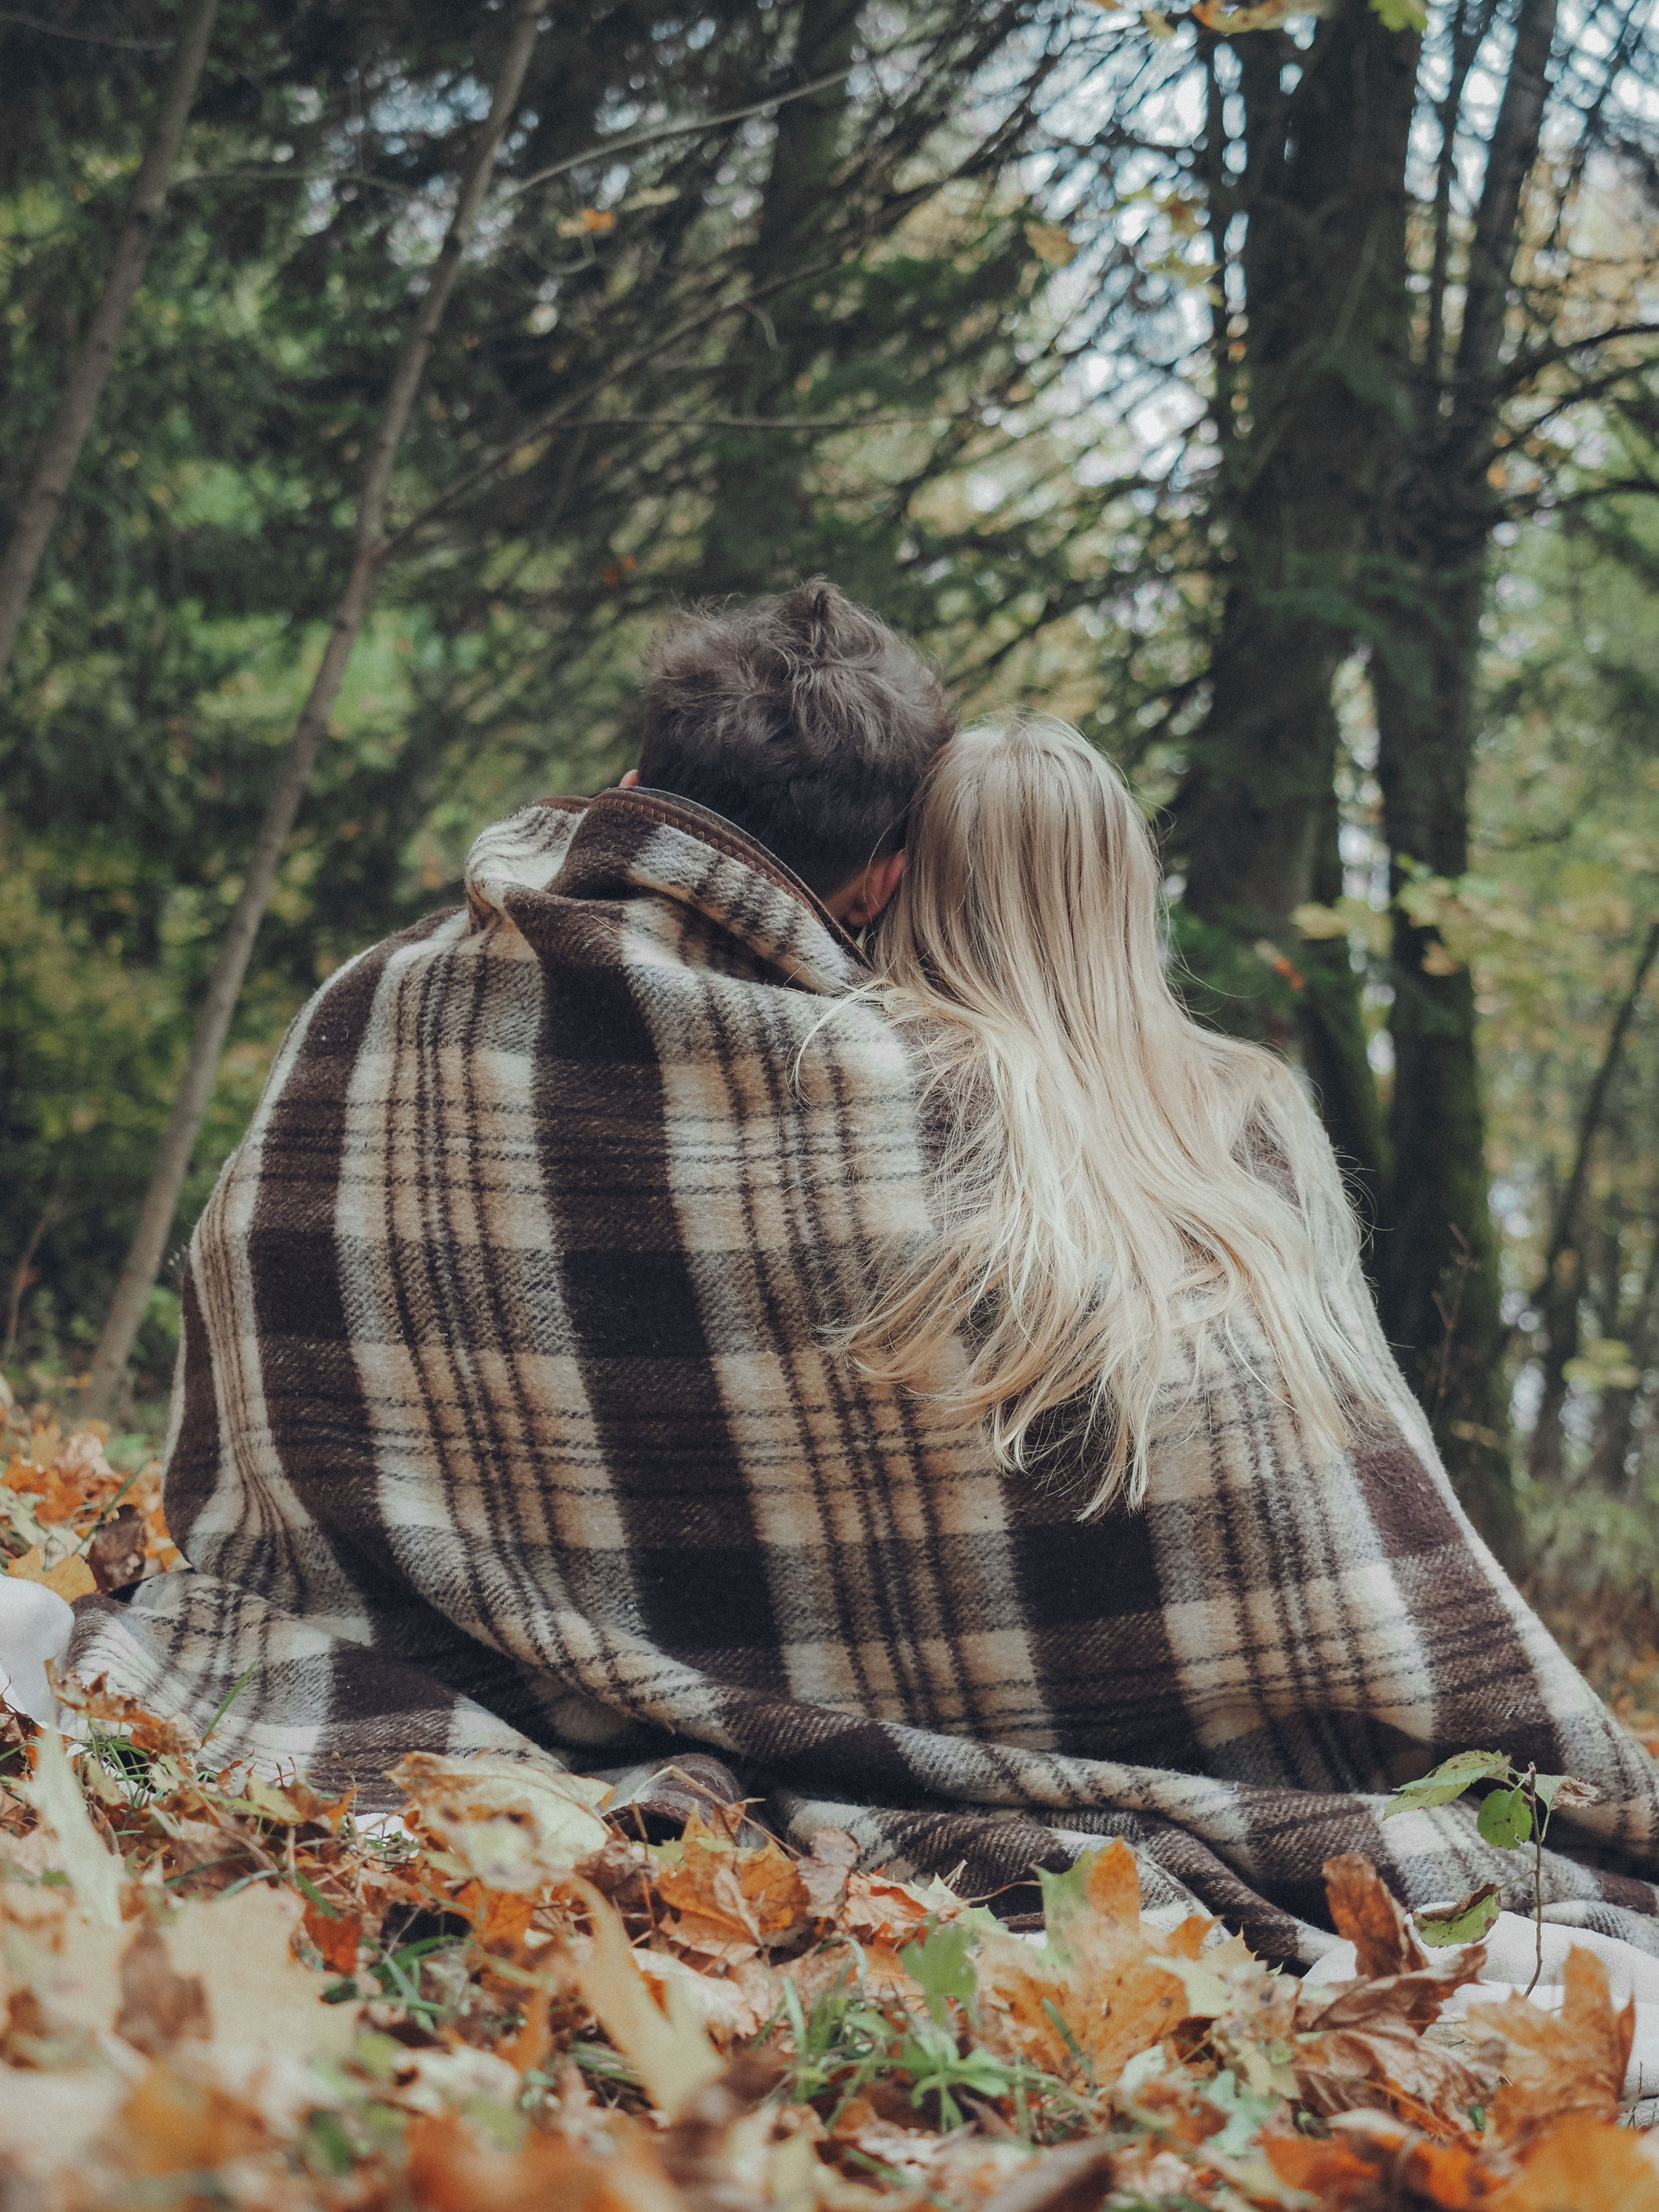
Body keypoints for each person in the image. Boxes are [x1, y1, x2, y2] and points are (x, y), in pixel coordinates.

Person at [18, 583, 1659, 1968]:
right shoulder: (910, 1109)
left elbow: (243, 1279)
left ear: (634, 767)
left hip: (342, 1657)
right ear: (875, 882)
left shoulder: (368, 1002)